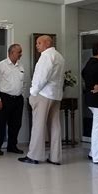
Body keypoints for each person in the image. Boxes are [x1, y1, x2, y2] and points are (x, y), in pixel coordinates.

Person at [19, 35, 65, 165]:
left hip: (44, 94)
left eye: (39, 43)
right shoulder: (59, 56)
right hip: (55, 95)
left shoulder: (46, 56)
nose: (36, 45)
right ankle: (55, 157)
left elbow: (41, 77)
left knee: (38, 126)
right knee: (55, 126)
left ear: (47, 43)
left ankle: (34, 156)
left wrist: (33, 92)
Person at [0, 44, 25, 155]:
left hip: (18, 99)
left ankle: (12, 146)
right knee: (1, 124)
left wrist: (21, 94)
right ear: (11, 53)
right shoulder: (1, 65)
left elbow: (23, 83)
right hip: (4, 98)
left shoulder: (21, 66)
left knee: (16, 124)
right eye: (19, 52)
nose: (21, 54)